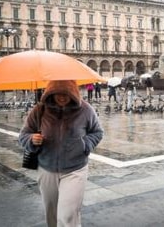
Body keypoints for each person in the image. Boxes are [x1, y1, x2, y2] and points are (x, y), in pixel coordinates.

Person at [19, 80, 104, 227]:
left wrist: (85, 144)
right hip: (47, 169)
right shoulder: (39, 110)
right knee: (51, 213)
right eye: (58, 93)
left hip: (75, 169)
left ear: (73, 92)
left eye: (66, 93)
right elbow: (23, 136)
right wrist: (31, 139)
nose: (62, 97)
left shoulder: (85, 110)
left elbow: (97, 132)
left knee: (67, 216)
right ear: (51, 93)